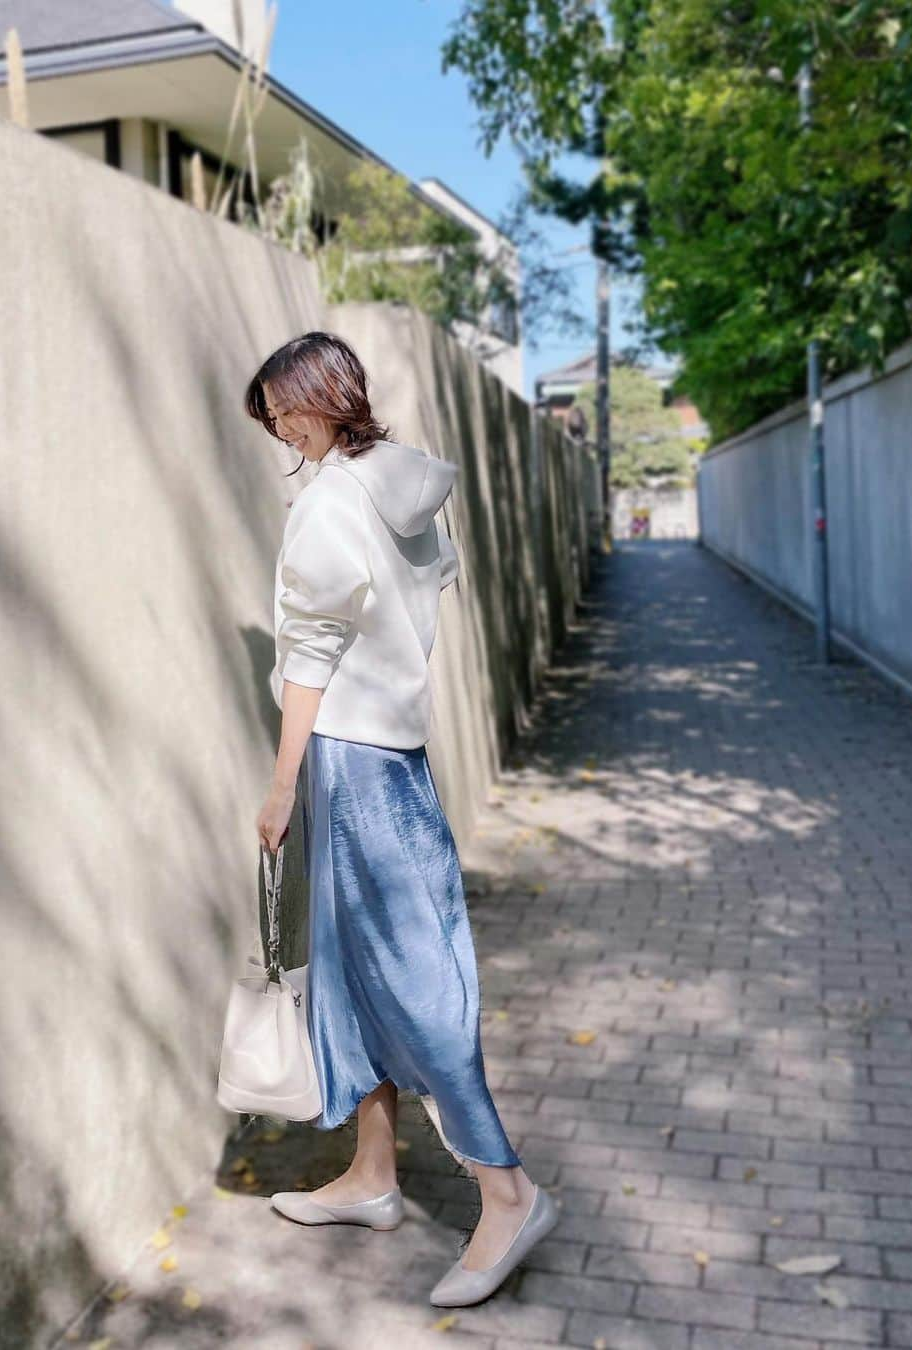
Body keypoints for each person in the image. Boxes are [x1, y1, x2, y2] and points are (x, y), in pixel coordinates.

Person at [245, 331, 559, 1307]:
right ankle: (373, 1174)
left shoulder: (331, 505)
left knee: (414, 981)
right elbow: (422, 603)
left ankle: (506, 1191)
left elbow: (310, 650)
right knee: (348, 975)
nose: (280, 431)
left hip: (346, 762)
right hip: (402, 756)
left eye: (282, 411)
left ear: (319, 400)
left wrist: (284, 779)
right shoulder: (403, 490)